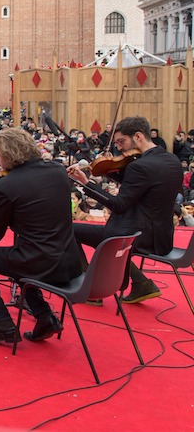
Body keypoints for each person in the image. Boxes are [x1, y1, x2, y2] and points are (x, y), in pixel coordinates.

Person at [0, 127, 82, 344]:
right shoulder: (57, 170)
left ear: (7, 154)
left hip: (40, 263)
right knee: (17, 254)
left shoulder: (6, 186)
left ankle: (3, 324)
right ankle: (45, 317)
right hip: (70, 261)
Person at [68, 115, 183, 303]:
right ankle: (141, 283)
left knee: (70, 230)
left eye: (121, 142)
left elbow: (118, 205)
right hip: (162, 236)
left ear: (138, 136)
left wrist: (86, 183)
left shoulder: (139, 166)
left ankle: (91, 287)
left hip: (134, 236)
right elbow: (143, 186)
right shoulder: (171, 160)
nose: (119, 148)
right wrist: (110, 170)